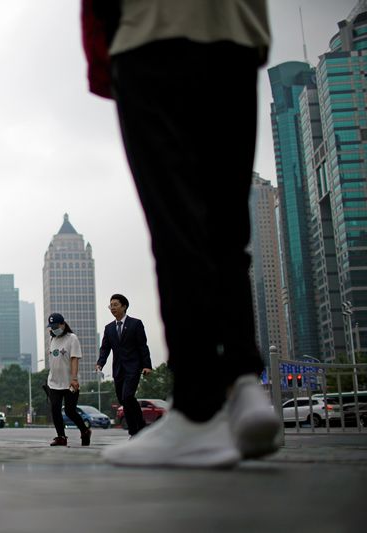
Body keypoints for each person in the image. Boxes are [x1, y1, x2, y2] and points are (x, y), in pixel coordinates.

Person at [82, 0, 281, 467]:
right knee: (227, 229)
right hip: (236, 35)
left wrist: (102, 60)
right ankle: (246, 387)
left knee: (177, 229)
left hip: (152, 32)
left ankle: (197, 413)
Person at [96, 294, 152, 438]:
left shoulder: (136, 324)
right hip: (118, 369)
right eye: (111, 306)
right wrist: (100, 363)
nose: (112, 308)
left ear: (124, 306)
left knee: (127, 396)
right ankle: (141, 424)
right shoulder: (109, 328)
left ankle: (134, 431)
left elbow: (142, 346)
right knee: (124, 400)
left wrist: (147, 365)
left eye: (115, 305)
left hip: (133, 367)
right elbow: (105, 348)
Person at [46, 313, 91, 446]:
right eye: (51, 327)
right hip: (53, 382)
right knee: (55, 408)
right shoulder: (52, 340)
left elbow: (74, 359)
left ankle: (84, 431)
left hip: (69, 382)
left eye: (56, 326)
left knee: (70, 411)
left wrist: (74, 378)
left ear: (63, 325)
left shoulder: (72, 338)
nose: (54, 329)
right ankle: (61, 437)